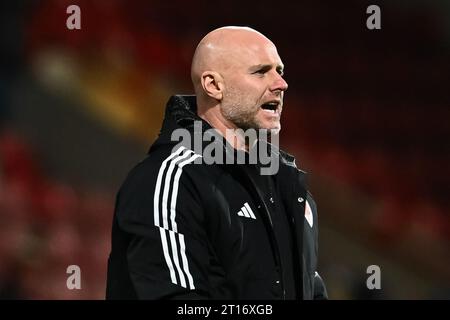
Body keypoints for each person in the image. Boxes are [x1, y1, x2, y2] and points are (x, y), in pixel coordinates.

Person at [106, 26, 328, 300]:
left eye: (279, 71)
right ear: (213, 85)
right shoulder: (171, 180)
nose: (281, 84)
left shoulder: (290, 189)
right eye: (261, 71)